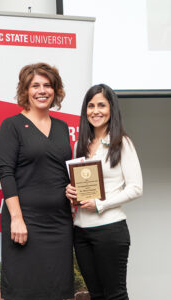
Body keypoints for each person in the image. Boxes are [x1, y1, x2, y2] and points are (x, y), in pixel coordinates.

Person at [0, 63, 74, 300]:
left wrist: (72, 189)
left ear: (55, 90)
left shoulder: (62, 127)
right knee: (24, 291)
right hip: (26, 223)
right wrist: (17, 219)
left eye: (48, 85)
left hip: (59, 224)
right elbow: (6, 173)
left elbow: (61, 171)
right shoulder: (11, 126)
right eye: (35, 85)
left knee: (56, 291)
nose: (42, 91)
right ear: (25, 91)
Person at [66, 84, 143, 300]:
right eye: (90, 106)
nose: (95, 111)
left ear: (111, 109)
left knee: (115, 295)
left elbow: (136, 188)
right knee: (96, 295)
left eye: (101, 105)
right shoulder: (80, 145)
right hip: (81, 231)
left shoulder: (122, 143)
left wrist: (101, 204)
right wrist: (71, 190)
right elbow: (79, 186)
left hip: (110, 230)